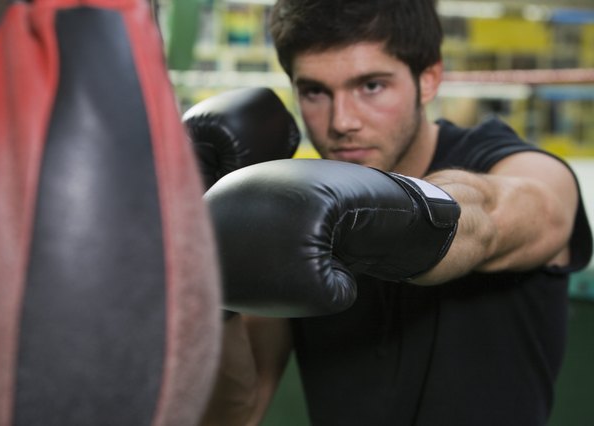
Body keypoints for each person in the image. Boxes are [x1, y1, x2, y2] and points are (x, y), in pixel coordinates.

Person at [197, 0, 593, 425]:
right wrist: (214, 280)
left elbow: (490, 218)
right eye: (315, 91)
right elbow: (236, 413)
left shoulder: (522, 169)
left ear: (429, 79)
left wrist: (396, 210)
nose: (341, 122)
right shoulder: (300, 212)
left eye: (371, 86)